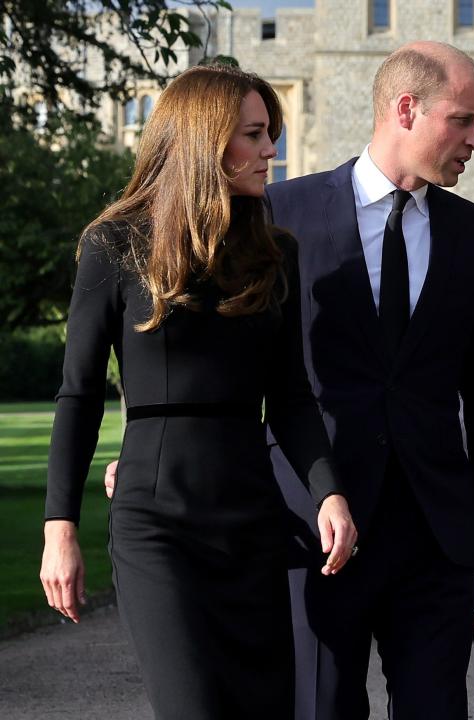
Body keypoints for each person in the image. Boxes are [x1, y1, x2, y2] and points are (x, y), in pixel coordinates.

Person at [40, 64, 357, 720]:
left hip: (253, 523)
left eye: (271, 133)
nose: (273, 150)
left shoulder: (276, 253)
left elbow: (292, 396)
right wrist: (58, 526)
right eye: (255, 135)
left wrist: (328, 491)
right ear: (203, 141)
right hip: (158, 528)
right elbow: (78, 395)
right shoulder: (114, 244)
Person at [264, 42, 474, 719]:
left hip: (436, 537)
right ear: (405, 109)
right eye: (464, 120)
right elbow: (243, 366)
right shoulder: (281, 213)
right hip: (318, 527)